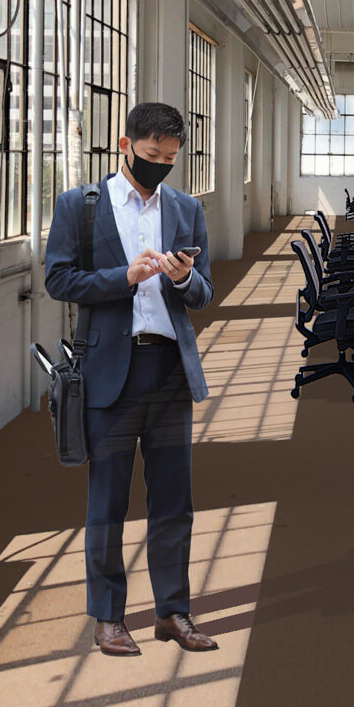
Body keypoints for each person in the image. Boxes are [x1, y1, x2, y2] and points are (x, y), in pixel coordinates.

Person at [44, 102, 218, 657]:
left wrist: (185, 279)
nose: (160, 165)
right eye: (151, 154)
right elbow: (58, 279)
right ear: (125, 146)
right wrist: (122, 277)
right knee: (107, 503)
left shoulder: (186, 209)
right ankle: (109, 618)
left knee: (174, 502)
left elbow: (205, 292)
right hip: (108, 374)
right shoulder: (80, 206)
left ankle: (173, 612)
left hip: (169, 372)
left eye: (170, 158)